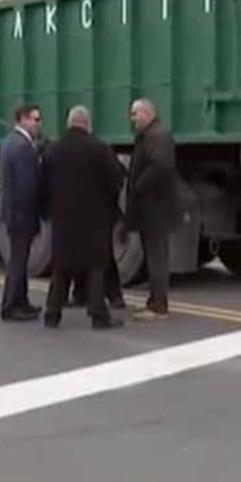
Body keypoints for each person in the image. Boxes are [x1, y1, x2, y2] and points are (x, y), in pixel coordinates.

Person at [41, 106, 125, 329]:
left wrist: (51, 208)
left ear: (69, 123)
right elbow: (116, 179)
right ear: (87, 124)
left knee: (61, 268)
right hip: (94, 219)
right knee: (96, 267)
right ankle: (98, 315)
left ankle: (52, 313)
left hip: (63, 219)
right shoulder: (99, 148)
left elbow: (44, 184)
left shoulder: (53, 150)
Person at [126, 98, 181, 320]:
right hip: (152, 207)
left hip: (156, 208)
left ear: (147, 114)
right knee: (153, 255)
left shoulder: (157, 136)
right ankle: (154, 301)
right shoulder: (150, 135)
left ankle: (159, 306)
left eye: (135, 114)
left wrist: (138, 186)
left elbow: (161, 166)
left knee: (157, 257)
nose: (132, 119)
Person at [0, 104, 44, 322]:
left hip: (13, 214)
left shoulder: (10, 142)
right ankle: (11, 306)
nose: (38, 124)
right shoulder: (23, 147)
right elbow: (27, 186)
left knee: (21, 260)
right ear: (22, 120)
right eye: (35, 119)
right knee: (18, 262)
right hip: (22, 215)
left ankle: (21, 302)